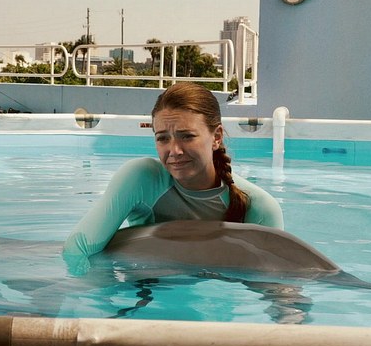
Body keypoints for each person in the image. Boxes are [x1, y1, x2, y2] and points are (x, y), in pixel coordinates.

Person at [62, 82, 283, 274]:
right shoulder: (142, 179)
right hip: (145, 296)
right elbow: (77, 250)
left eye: (187, 136)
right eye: (163, 138)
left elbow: (277, 280)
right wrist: (107, 302)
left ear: (216, 137)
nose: (174, 151)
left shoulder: (259, 207)